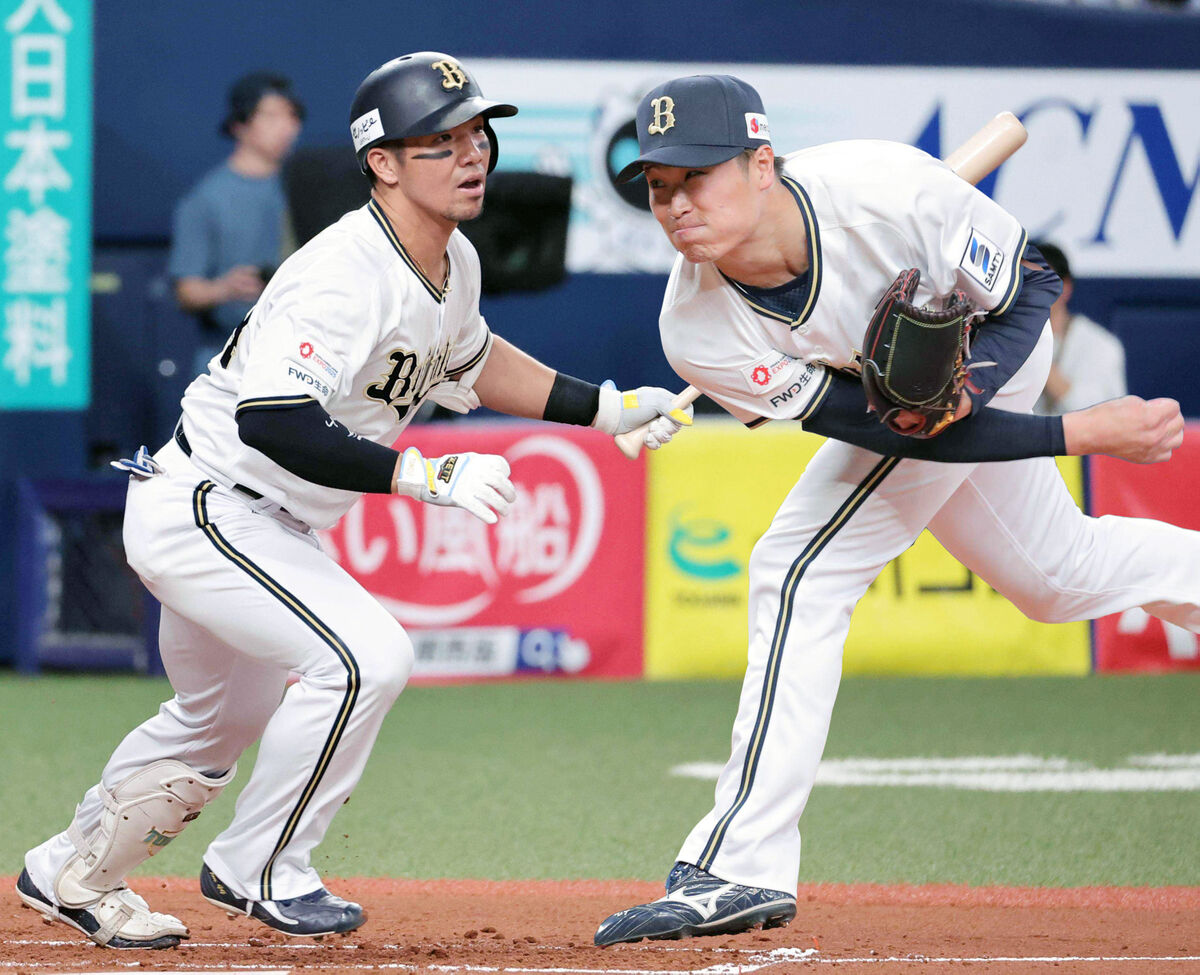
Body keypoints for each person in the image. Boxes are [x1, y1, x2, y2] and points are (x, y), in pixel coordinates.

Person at [14, 52, 690, 950]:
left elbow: (477, 360)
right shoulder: (343, 272)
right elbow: (272, 422)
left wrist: (605, 409)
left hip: (263, 521)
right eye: (439, 140)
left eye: (477, 132)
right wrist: (422, 475)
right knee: (366, 656)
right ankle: (261, 863)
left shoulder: (452, 260)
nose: (471, 152)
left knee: (215, 725)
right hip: (213, 504)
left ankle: (72, 869)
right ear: (382, 162)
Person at [592, 74, 1199, 947]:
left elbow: (1027, 286)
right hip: (908, 419)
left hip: (1002, 347)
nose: (676, 203)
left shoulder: (886, 189)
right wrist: (960, 416)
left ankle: (741, 862)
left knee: (799, 567)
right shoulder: (696, 327)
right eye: (658, 185)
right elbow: (891, 434)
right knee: (1059, 578)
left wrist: (1019, 407)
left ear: (763, 165)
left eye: (698, 175)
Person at [168, 72, 305, 374]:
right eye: (270, 116)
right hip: (229, 358)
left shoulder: (306, 187)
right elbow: (186, 291)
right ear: (240, 125)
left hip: (300, 352)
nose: (287, 127)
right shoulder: (206, 198)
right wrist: (224, 288)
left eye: (292, 116)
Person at [1032, 241, 1127, 414]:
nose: (1028, 293)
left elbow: (1105, 417)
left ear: (1064, 288)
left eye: (1039, 281)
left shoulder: (1101, 346)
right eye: (1021, 282)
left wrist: (1032, 354)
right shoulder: (996, 339)